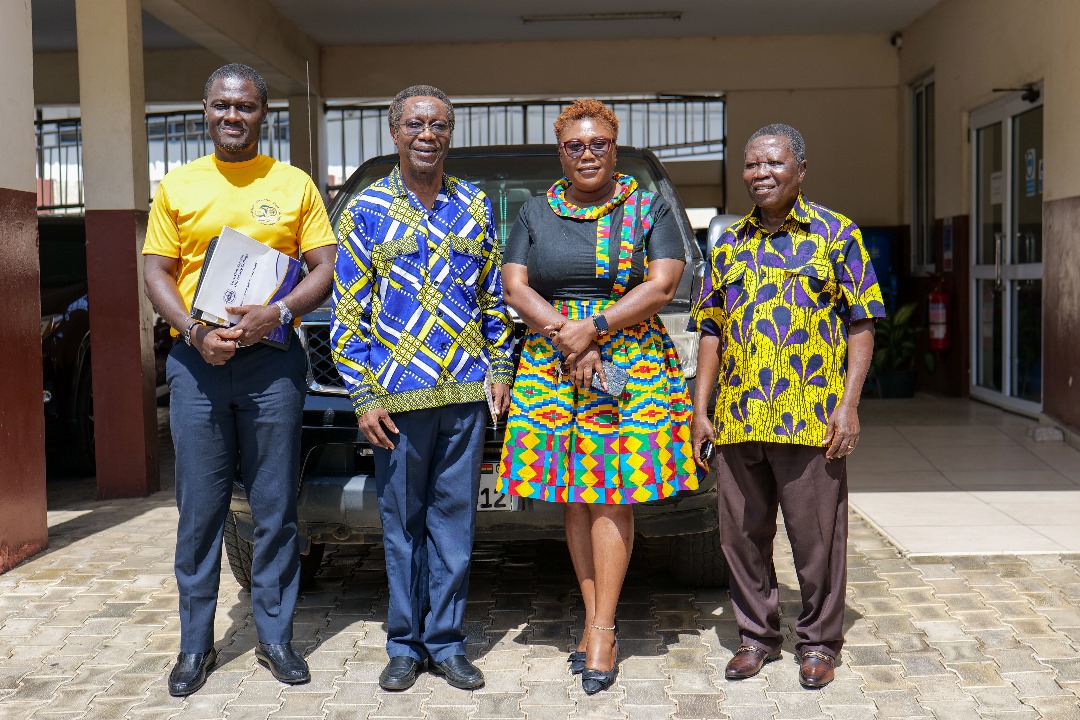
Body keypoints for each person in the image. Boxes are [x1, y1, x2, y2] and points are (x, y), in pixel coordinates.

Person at [143, 64, 337, 696]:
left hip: (271, 365)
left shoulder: (293, 184)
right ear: (206, 110)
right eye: (223, 105)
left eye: (246, 106)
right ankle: (194, 646)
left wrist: (279, 313)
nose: (234, 116)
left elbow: (324, 266)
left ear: (263, 114)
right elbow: (156, 271)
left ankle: (276, 637)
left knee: (275, 509)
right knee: (200, 512)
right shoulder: (179, 184)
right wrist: (193, 332)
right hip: (197, 366)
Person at [497, 99, 699, 695]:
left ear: (614, 147)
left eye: (598, 144)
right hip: (552, 361)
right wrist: (569, 335)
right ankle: (590, 622)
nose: (586, 154)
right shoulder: (535, 211)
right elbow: (515, 287)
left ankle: (605, 631)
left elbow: (663, 283)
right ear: (561, 153)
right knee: (575, 495)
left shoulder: (647, 207)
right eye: (574, 146)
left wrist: (596, 328)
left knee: (612, 496)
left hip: (631, 367)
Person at [330, 84, 514, 692]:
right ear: (395, 132)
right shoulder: (366, 209)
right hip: (394, 403)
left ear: (450, 134)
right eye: (415, 124)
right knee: (402, 527)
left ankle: (447, 642)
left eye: (438, 124)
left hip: (463, 395)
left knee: (455, 526)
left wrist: (498, 369)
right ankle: (405, 645)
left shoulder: (474, 204)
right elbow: (349, 313)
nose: (427, 134)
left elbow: (491, 299)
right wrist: (363, 394)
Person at [689, 123, 886, 689]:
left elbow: (862, 322)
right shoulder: (728, 242)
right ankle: (756, 637)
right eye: (752, 164)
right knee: (739, 537)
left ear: (800, 170)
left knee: (816, 539)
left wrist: (849, 405)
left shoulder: (836, 234)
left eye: (773, 163)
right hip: (738, 417)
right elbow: (710, 330)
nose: (761, 173)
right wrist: (700, 410)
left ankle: (819, 643)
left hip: (810, 419)